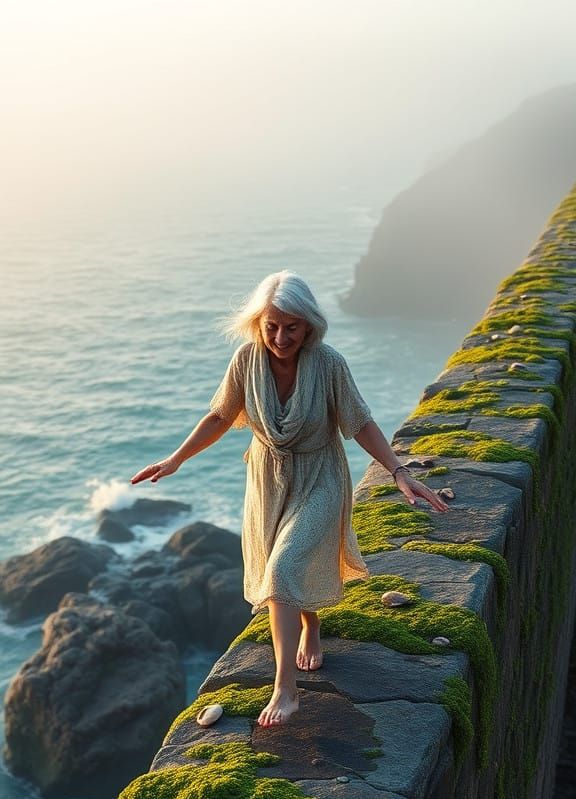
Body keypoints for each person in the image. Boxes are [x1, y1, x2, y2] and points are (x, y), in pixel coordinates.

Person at [131, 270, 449, 728]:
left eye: (292, 327)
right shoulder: (245, 361)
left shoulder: (329, 364)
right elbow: (221, 415)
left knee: (284, 567)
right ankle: (310, 626)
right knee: (288, 559)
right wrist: (176, 459)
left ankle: (285, 687)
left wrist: (398, 471)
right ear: (259, 323)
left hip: (320, 474)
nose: (281, 336)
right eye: (272, 325)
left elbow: (359, 422)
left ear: (309, 325)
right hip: (267, 479)